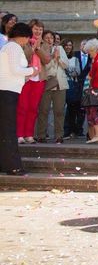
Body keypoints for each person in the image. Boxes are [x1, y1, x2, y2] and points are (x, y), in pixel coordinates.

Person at [0, 23, 36, 175]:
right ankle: (12, 166)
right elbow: (16, 69)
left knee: (5, 130)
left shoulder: (8, 47)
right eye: (27, 37)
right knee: (8, 130)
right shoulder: (13, 47)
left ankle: (6, 164)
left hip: (8, 90)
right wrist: (32, 70)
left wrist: (25, 76)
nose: (27, 41)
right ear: (22, 36)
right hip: (7, 92)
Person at [17, 19, 51, 144]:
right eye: (36, 29)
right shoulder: (23, 42)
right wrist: (32, 48)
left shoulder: (45, 44)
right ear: (30, 29)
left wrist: (38, 48)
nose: (38, 31)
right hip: (26, 78)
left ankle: (29, 135)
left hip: (39, 79)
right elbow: (24, 57)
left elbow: (47, 60)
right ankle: (19, 134)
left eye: (40, 29)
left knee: (33, 108)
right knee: (22, 107)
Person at [35, 30, 69, 143]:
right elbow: (45, 67)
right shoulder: (41, 50)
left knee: (59, 110)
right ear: (43, 39)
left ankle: (59, 135)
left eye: (51, 38)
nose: (50, 40)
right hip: (46, 82)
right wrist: (53, 58)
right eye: (47, 38)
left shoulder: (59, 49)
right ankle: (41, 135)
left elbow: (66, 65)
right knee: (43, 110)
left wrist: (58, 58)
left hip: (60, 83)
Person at [62, 39, 81, 139]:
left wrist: (68, 71)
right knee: (60, 109)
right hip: (61, 84)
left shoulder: (75, 59)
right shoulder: (59, 57)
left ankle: (69, 130)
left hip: (71, 85)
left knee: (71, 109)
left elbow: (77, 71)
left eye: (70, 45)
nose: (68, 47)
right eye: (66, 45)